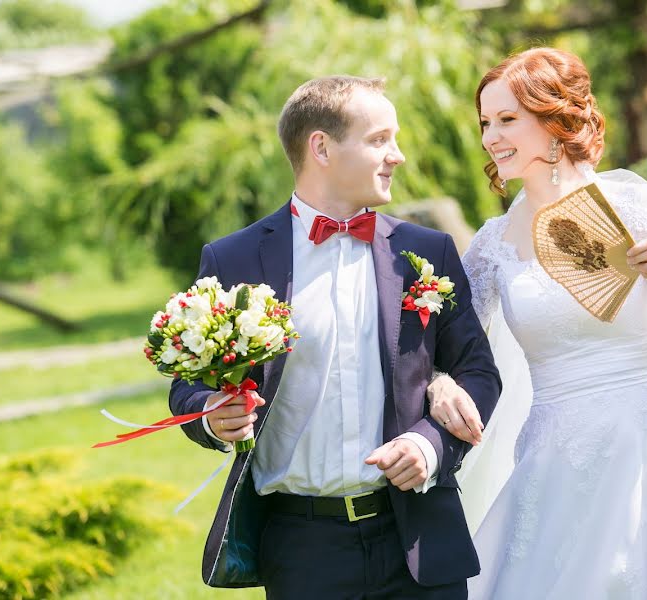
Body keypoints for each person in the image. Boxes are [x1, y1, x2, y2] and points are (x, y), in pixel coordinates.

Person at [427, 48, 647, 599]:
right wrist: (440, 380)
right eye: (485, 122)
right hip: (553, 460)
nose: (490, 138)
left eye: (507, 120)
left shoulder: (633, 204)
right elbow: (454, 356)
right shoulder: (489, 246)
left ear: (554, 121)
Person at [168, 76, 502, 599]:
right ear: (320, 146)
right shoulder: (233, 259)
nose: (398, 156)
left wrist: (430, 445)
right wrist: (211, 412)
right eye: (379, 140)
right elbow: (185, 390)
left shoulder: (427, 252)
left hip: (417, 537)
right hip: (301, 548)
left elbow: (478, 372)